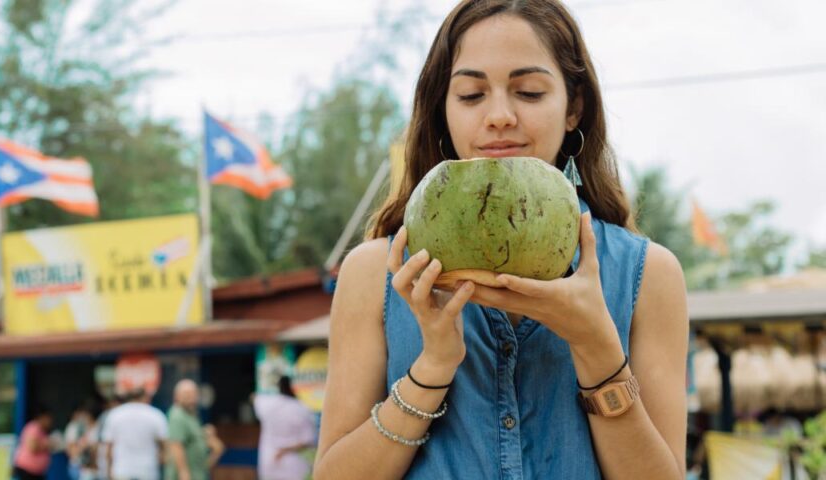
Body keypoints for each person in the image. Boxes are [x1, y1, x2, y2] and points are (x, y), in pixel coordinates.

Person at [312, 1, 689, 478]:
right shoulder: (376, 272)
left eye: (528, 92)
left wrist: (596, 346)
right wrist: (432, 368)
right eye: (471, 95)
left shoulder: (647, 275)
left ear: (574, 107)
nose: (498, 116)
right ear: (443, 111)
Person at [253, 376, 317, 480]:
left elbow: (254, 398)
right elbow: (308, 440)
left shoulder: (266, 404)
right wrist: (285, 450)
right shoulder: (302, 408)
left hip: (269, 461)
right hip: (294, 465)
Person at [101, 389, 167, 480]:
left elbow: (108, 447)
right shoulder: (155, 415)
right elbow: (164, 445)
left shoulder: (115, 415)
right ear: (146, 398)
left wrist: (108, 471)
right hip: (148, 470)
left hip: (121, 469)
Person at [164, 380, 224, 480]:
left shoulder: (192, 415)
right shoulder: (177, 415)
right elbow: (176, 445)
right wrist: (184, 474)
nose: (190, 397)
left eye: (193, 393)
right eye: (186, 394)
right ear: (176, 396)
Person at [13, 408, 54, 480]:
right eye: (48, 418)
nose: (50, 421)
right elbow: (32, 447)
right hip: (27, 470)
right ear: (42, 417)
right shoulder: (34, 427)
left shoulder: (42, 430)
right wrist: (47, 445)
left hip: (36, 473)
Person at [65, 402, 99, 480]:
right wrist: (83, 446)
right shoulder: (75, 427)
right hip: (80, 467)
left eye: (84, 414)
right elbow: (70, 451)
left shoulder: (97, 427)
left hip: (95, 469)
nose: (82, 416)